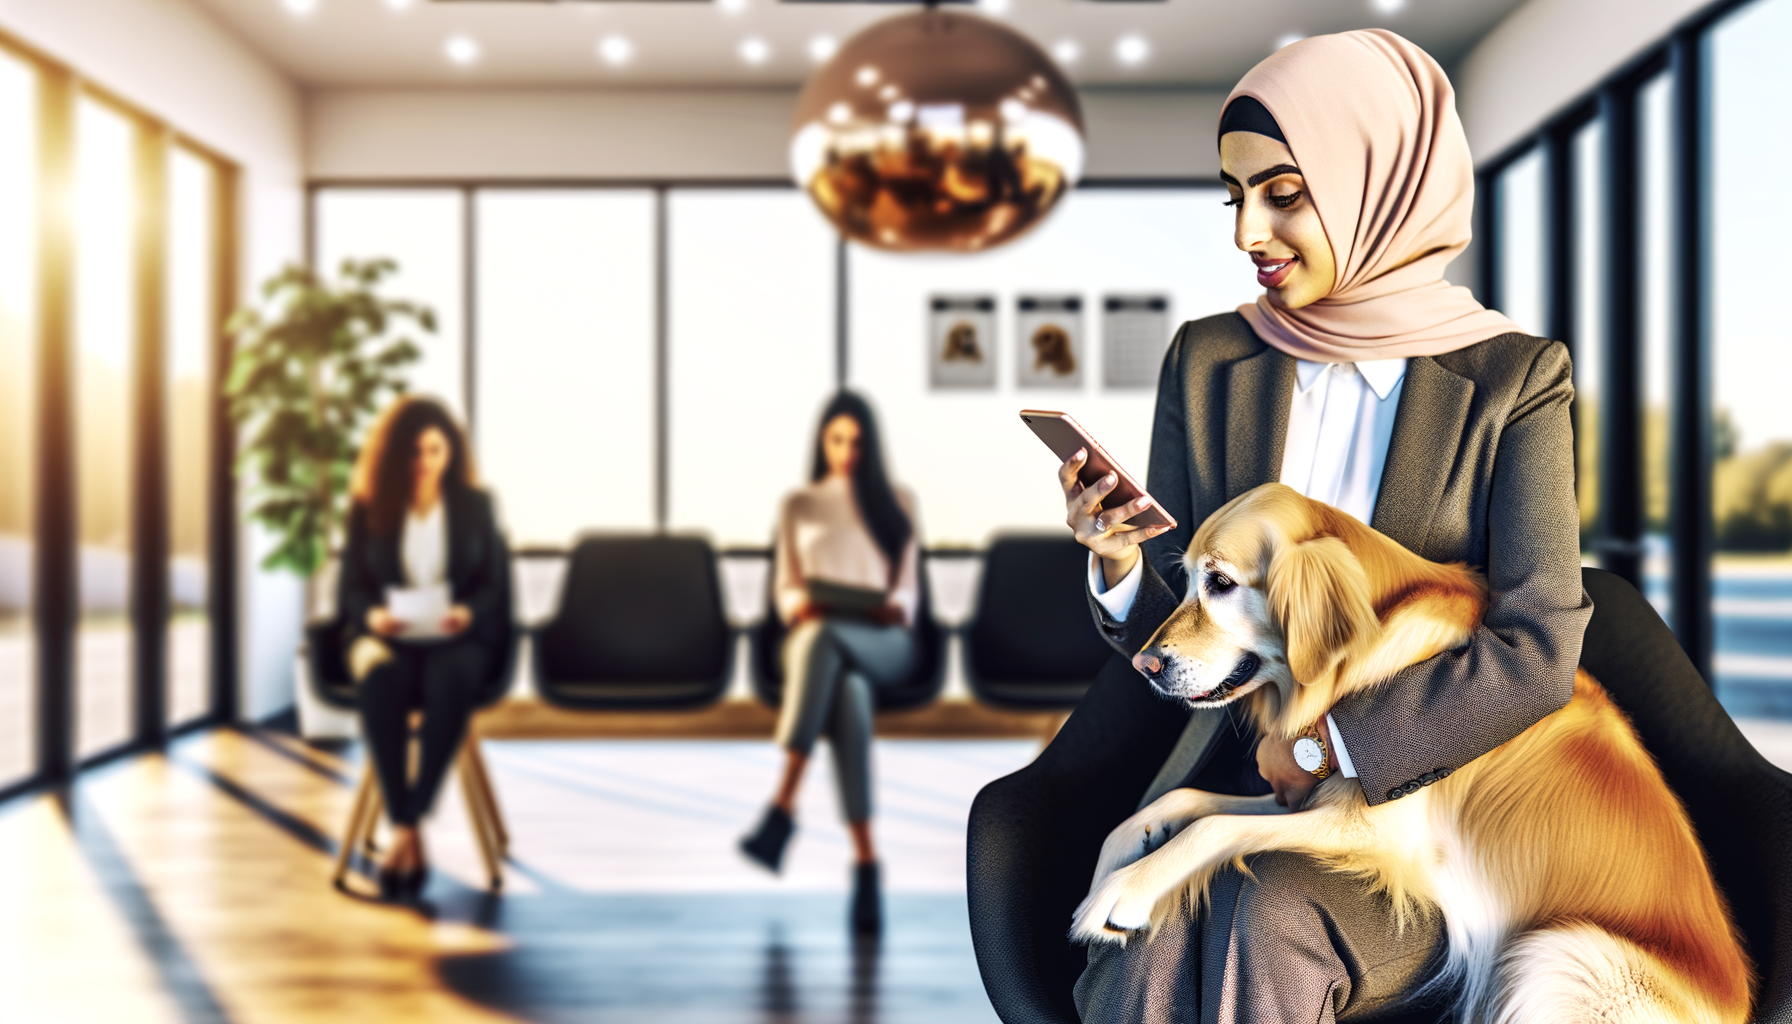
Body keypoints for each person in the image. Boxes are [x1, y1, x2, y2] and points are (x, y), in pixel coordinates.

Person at [1055, 30, 1594, 1023]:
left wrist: (1320, 752)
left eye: (1283, 193)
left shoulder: (1510, 381)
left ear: (1378, 181)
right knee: (1153, 927)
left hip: (1423, 817)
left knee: (1263, 917)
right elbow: (1192, 628)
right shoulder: (1209, 359)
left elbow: (1537, 647)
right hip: (1229, 777)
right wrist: (1122, 567)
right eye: (1234, 196)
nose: (1245, 232)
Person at [739, 391, 922, 935]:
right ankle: (866, 862)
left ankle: (782, 806)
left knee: (823, 635)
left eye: (858, 441)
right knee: (849, 694)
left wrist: (840, 605)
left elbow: (904, 601)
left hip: (885, 643)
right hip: (817, 643)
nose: (847, 450)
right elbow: (788, 596)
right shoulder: (799, 506)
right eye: (838, 439)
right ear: (823, 441)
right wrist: (815, 604)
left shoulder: (897, 503)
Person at [338, 396, 510, 901]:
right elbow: (351, 587)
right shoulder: (368, 507)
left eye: (435, 450)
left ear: (451, 451)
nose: (425, 463)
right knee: (380, 679)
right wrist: (372, 616)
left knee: (450, 680)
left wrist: (467, 613)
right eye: (414, 452)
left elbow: (492, 585)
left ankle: (405, 823)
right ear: (395, 456)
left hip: (454, 635)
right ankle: (408, 827)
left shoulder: (477, 507)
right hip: (385, 635)